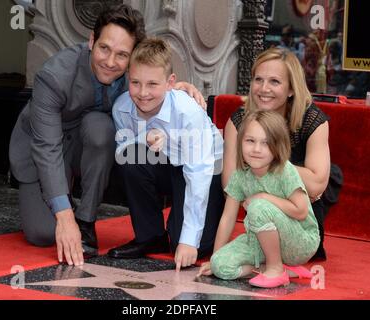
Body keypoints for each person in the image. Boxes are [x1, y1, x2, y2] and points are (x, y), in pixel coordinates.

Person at [9, 5, 205, 267]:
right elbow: (46, 147)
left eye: (122, 54)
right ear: (92, 41)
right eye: (104, 48)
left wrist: (176, 91)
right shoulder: (54, 76)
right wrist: (64, 218)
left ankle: (87, 219)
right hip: (41, 148)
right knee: (43, 234)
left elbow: (153, 81)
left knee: (101, 128)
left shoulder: (132, 77)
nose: (111, 62)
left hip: (89, 144)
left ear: (132, 58)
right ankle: (64, 204)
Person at [107, 38, 225, 271]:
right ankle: (150, 236)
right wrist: (144, 137)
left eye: (152, 84)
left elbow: (198, 173)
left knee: (195, 246)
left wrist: (189, 241)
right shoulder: (122, 107)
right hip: (165, 165)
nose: (142, 93)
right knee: (131, 156)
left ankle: (192, 222)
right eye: (135, 82)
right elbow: (122, 150)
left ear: (171, 82)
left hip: (207, 170)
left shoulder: (188, 112)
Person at [222, 47, 333, 261]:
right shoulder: (239, 120)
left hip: (299, 221)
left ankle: (276, 266)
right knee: (223, 262)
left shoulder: (311, 119)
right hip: (257, 219)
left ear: (291, 89)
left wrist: (263, 168)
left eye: (275, 81)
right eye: (258, 79)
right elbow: (230, 184)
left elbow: (318, 183)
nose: (264, 89)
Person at [197, 110, 320, 288]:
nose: (256, 149)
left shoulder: (285, 170)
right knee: (220, 266)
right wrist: (215, 257)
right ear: (240, 143)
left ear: (278, 145)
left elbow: (301, 211)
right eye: (250, 141)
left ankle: (276, 268)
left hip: (299, 240)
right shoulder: (240, 175)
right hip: (259, 241)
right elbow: (228, 217)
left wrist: (264, 197)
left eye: (266, 143)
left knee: (258, 206)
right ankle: (276, 268)